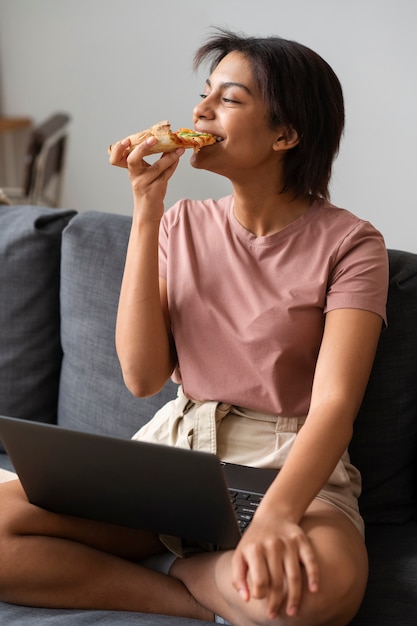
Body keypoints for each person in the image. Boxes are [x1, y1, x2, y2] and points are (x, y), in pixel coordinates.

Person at [0, 29, 388, 626]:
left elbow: (334, 406)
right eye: (204, 95)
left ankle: (189, 569)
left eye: (228, 100)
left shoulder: (352, 245)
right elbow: (141, 375)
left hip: (286, 469)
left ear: (286, 134)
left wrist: (279, 516)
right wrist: (147, 209)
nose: (200, 113)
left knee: (316, 596)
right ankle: (190, 587)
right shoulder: (180, 223)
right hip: (173, 461)